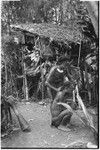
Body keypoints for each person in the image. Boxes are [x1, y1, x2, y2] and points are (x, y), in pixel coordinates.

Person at [46, 61, 77, 130]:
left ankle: (62, 122)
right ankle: (56, 122)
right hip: (53, 88)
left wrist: (73, 80)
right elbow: (47, 83)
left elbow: (69, 77)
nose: (66, 67)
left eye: (67, 66)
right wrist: (56, 89)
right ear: (61, 63)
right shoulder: (53, 69)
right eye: (65, 65)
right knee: (55, 104)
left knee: (62, 105)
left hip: (60, 88)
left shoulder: (65, 70)